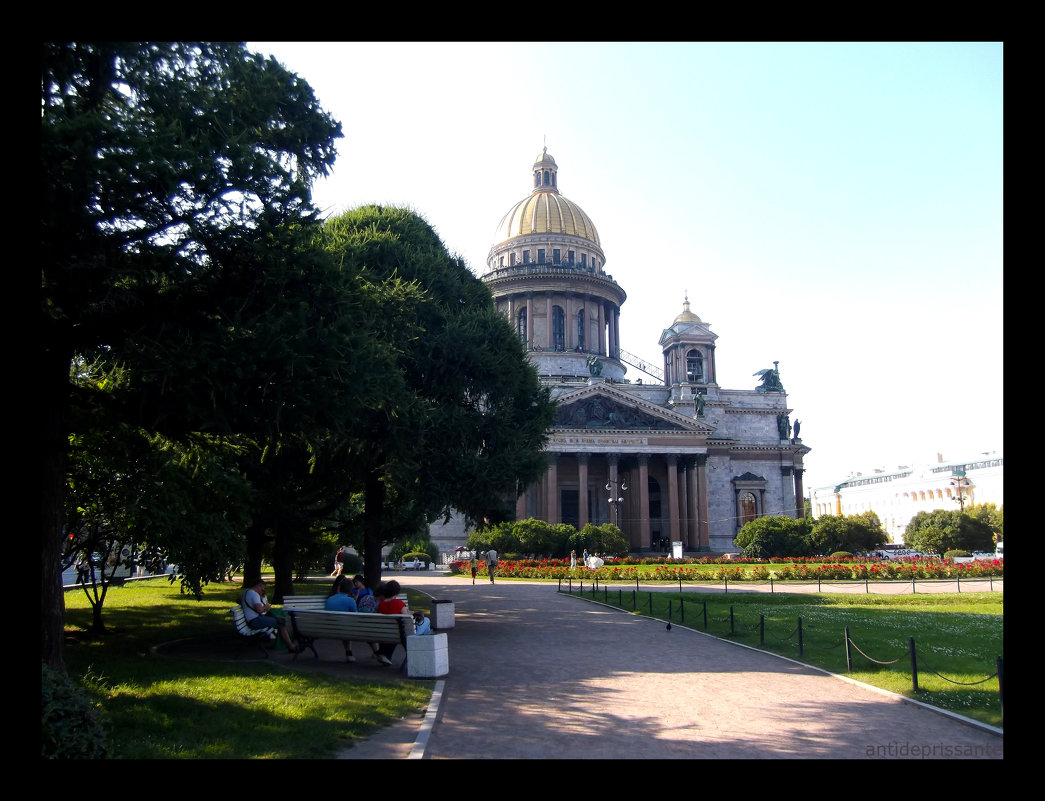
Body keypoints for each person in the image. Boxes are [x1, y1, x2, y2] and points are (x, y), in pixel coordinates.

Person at [242, 578, 298, 653]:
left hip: (252, 620)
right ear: (259, 586)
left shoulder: (246, 592)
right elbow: (260, 610)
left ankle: (287, 644)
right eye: (262, 589)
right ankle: (291, 646)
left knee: (280, 620)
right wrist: (266, 607)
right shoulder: (253, 594)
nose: (262, 591)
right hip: (255, 621)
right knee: (281, 623)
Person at [372, 580, 406, 665]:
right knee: (425, 622)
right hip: (398, 634)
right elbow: (406, 618)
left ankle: (383, 655)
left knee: (393, 633)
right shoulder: (399, 603)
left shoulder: (381, 605)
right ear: (397, 592)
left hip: (385, 632)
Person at [325, 576, 358, 662]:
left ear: (339, 588)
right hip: (344, 628)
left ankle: (349, 652)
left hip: (328, 628)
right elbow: (356, 616)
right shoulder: (350, 600)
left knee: (344, 624)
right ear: (350, 590)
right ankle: (377, 652)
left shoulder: (330, 599)